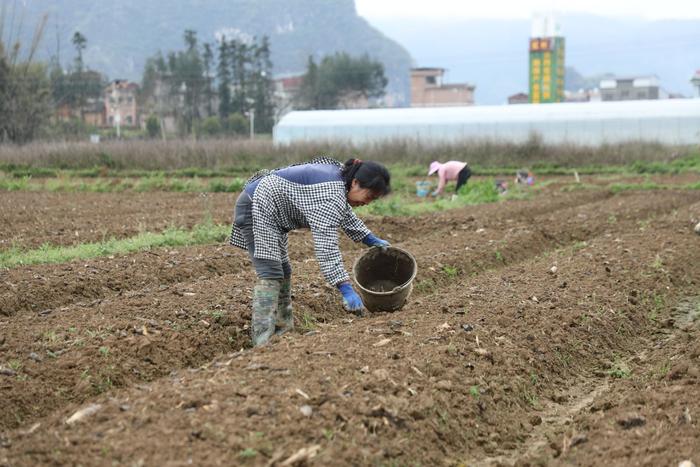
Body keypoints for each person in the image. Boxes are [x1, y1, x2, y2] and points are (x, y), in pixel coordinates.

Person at [230, 157, 391, 346]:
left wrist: (368, 238)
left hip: (270, 212)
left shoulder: (340, 182)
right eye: (369, 196)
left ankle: (283, 331)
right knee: (271, 274)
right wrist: (345, 287)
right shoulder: (330, 192)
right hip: (255, 206)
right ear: (356, 183)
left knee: (284, 271)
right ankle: (262, 341)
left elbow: (343, 213)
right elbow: (327, 246)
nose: (368, 202)